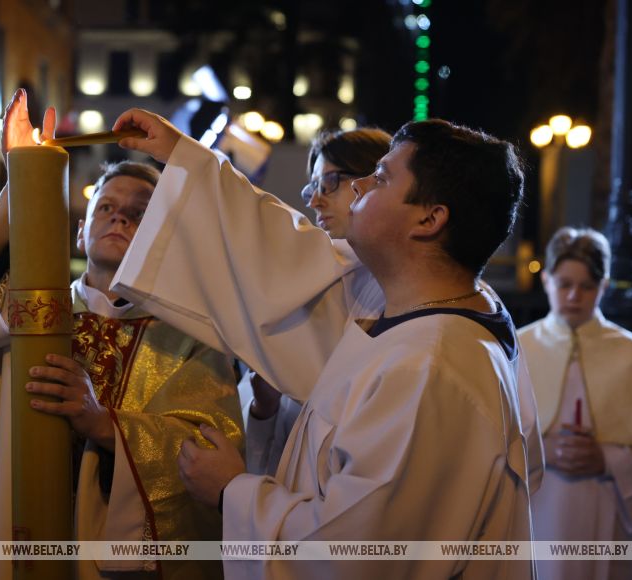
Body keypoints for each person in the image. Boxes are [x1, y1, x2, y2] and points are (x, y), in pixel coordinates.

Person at [109, 110, 540, 578]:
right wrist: (185, 158)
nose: (358, 187)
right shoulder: (407, 310)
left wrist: (231, 490)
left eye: (381, 178)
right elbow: (288, 257)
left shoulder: (429, 368)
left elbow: (353, 557)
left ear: (430, 219)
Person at [0, 89, 243, 580]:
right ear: (80, 232)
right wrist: (21, 184)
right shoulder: (21, 313)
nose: (120, 217)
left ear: (165, 236)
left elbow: (213, 449)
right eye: (106, 207)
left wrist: (103, 424)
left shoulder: (191, 335)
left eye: (140, 211)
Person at [243, 127, 391, 476]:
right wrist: (265, 407)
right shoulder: (309, 288)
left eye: (330, 182)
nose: (314, 201)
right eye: (312, 187)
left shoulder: (399, 290)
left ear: (376, 181)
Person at [519, 227, 632, 580]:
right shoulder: (518, 349)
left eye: (587, 286)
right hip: (538, 506)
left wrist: (607, 458)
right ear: (546, 281)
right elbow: (488, 443)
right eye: (564, 283)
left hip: (609, 504)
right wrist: (542, 449)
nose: (574, 295)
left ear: (602, 287)